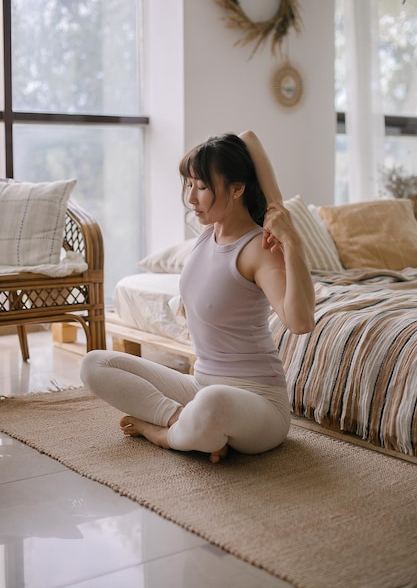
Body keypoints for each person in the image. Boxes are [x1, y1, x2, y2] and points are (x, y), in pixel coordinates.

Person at [80, 130, 315, 463]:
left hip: (258, 401)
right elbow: (247, 138)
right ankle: (182, 422)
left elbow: (301, 321)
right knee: (95, 363)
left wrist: (293, 241)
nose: (191, 198)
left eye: (202, 187)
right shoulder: (208, 232)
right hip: (200, 384)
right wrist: (269, 199)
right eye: (188, 184)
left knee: (212, 404)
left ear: (237, 188)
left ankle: (161, 433)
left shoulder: (258, 250)